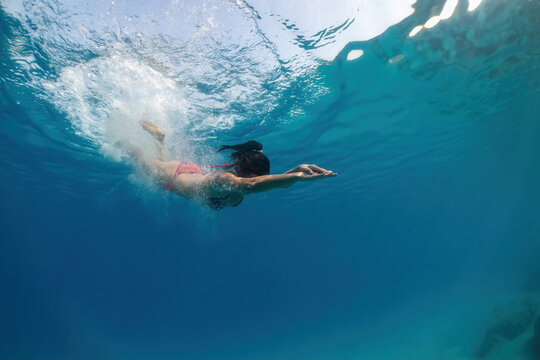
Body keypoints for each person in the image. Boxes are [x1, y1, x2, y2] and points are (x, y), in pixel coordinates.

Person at [118, 121, 337, 210]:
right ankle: (123, 142)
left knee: (160, 163)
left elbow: (268, 183)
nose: (257, 180)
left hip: (187, 173)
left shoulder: (233, 183)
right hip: (176, 177)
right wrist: (297, 176)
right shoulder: (228, 181)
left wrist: (296, 169)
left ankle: (159, 139)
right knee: (140, 159)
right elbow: (255, 185)